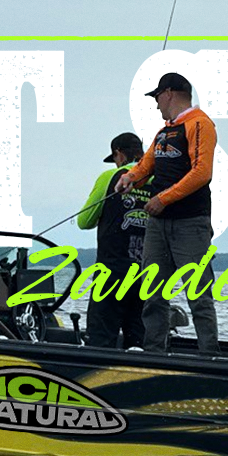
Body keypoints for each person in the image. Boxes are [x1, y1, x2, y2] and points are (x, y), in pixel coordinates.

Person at [114, 72, 220, 354]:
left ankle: (209, 356)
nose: (156, 103)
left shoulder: (200, 124)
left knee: (198, 295)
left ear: (169, 93)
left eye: (157, 97)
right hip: (158, 225)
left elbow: (202, 172)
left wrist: (163, 198)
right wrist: (130, 177)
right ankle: (154, 354)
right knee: (152, 293)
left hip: (190, 224)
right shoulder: (164, 132)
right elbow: (146, 164)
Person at [76, 133, 150, 348]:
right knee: (140, 340)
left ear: (118, 153)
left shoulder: (110, 177)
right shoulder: (159, 179)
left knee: (101, 339)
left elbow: (84, 221)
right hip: (148, 274)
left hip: (112, 271)